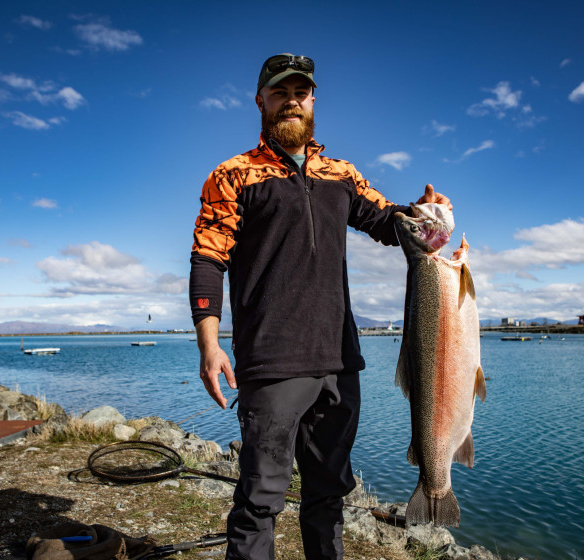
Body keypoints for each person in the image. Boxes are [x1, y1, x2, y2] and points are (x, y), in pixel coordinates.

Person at [189, 53, 451, 560]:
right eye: (280, 92)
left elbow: (387, 222)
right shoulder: (232, 175)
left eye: (301, 92)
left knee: (329, 495)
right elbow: (208, 257)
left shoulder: (341, 174)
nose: (292, 100)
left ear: (313, 101)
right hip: (272, 362)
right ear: (261, 100)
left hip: (339, 361)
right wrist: (210, 342)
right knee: (261, 501)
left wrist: (426, 216)